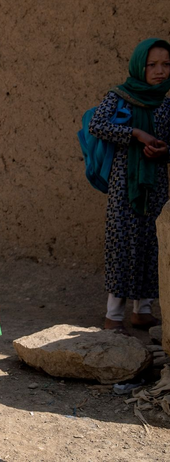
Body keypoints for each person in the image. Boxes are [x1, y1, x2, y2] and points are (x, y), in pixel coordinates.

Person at [89, 38, 170, 333]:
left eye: (166, 64)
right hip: (125, 185)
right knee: (122, 243)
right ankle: (114, 315)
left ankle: (143, 311)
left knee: (152, 242)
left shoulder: (166, 102)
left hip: (157, 184)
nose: (160, 71)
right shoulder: (119, 96)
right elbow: (97, 125)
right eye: (153, 65)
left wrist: (164, 152)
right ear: (140, 66)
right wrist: (136, 133)